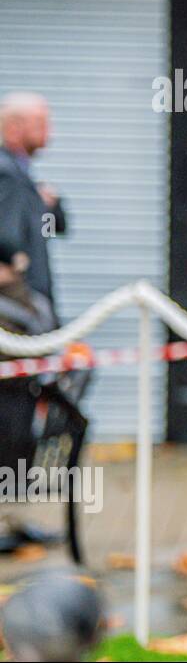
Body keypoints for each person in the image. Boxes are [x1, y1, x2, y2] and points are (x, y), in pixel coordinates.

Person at [0, 238, 57, 553]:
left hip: (22, 395)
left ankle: (13, 518)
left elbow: (47, 336)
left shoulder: (31, 300)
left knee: (19, 454)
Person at [0, 92, 67, 317]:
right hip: (20, 299)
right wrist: (17, 261)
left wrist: (48, 205)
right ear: (13, 129)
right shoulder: (7, 173)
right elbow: (7, 236)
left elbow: (54, 227)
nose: (49, 132)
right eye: (40, 123)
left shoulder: (21, 173)